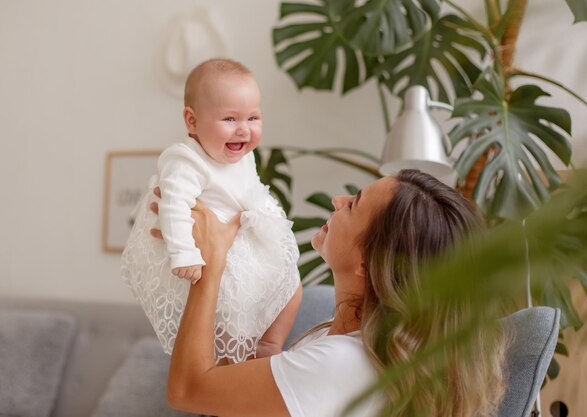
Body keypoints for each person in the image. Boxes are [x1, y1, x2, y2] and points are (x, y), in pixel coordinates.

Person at [153, 170, 508, 417]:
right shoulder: (351, 340)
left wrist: (209, 269)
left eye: (353, 204)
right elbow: (262, 395)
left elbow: (186, 391)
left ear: (369, 263)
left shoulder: (344, 362)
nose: (338, 200)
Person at [121, 58, 302, 363]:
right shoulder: (185, 161)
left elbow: (251, 189)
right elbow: (174, 206)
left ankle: (270, 344)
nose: (243, 130)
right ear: (192, 121)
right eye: (230, 119)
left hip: (244, 245)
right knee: (231, 318)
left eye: (253, 118)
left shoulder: (244, 157)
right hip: (208, 260)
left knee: (293, 285)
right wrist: (184, 255)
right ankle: (227, 364)